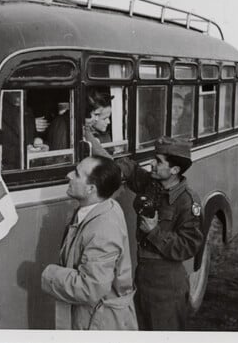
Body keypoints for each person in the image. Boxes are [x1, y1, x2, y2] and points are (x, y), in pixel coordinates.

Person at [116, 137, 204, 330]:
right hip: (143, 279)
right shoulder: (152, 183)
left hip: (167, 288)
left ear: (174, 170)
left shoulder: (187, 201)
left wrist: (154, 232)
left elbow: (188, 246)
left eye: (158, 161)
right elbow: (130, 169)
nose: (152, 164)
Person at [41, 155, 137, 330]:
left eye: (77, 174)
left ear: (90, 189)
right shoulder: (104, 207)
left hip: (97, 324)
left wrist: (49, 274)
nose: (69, 175)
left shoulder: (103, 229)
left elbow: (91, 287)